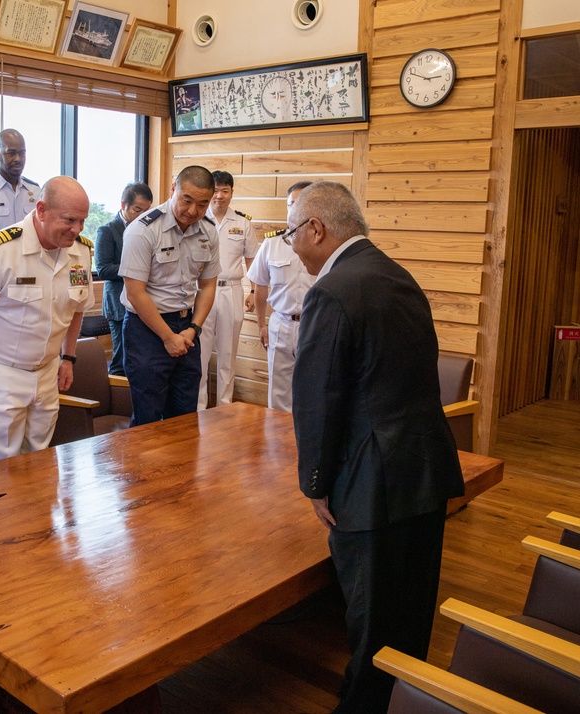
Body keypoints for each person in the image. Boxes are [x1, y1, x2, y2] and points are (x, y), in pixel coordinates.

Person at [290, 181, 464, 714]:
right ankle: (406, 698)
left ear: (316, 229)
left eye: (293, 232)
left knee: (370, 614)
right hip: (424, 467)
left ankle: (366, 706)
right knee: (411, 605)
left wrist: (315, 485)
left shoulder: (332, 290)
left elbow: (319, 398)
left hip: (371, 480)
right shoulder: (396, 274)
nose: (292, 245)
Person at [0, 176, 94, 464]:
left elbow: (78, 308)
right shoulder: (0, 250)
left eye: (82, 221)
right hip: (2, 375)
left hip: (47, 374)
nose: (76, 229)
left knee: (40, 462)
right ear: (40, 210)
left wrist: (69, 358)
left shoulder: (81, 252)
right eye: (69, 220)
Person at [119, 166, 219, 426]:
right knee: (148, 416)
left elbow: (208, 286)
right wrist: (167, 337)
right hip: (147, 330)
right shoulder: (144, 229)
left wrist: (193, 329)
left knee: (185, 416)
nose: (193, 211)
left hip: (187, 330)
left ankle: (182, 469)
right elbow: (135, 292)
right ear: (174, 189)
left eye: (203, 204)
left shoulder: (208, 231)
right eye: (187, 200)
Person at [246, 181, 316, 412]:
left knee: (312, 391)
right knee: (278, 394)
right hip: (281, 323)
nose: (293, 210)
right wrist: (261, 324)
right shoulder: (272, 243)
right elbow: (260, 285)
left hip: (314, 325)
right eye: (290, 205)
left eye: (300, 205)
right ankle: (277, 446)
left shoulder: (323, 245)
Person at [197, 171, 258, 409]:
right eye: (215, 190)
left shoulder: (242, 223)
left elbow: (252, 260)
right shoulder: (198, 220)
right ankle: (199, 408)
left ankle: (224, 406)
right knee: (200, 355)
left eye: (225, 191)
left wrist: (253, 291)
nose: (219, 196)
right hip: (201, 291)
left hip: (231, 290)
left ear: (232, 192)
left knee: (227, 354)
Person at [94, 182, 153, 376]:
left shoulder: (148, 230)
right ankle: (118, 404)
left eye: (147, 210)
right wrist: (136, 269)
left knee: (140, 359)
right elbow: (103, 269)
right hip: (118, 305)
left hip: (144, 303)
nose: (142, 215)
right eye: (137, 210)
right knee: (121, 359)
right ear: (123, 205)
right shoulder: (108, 230)